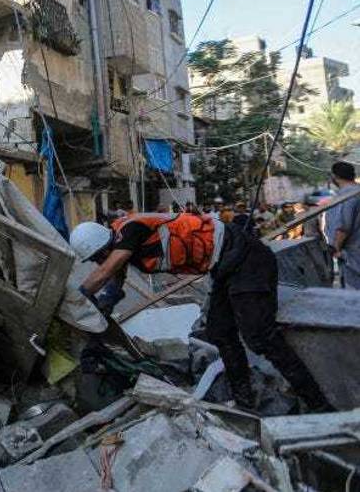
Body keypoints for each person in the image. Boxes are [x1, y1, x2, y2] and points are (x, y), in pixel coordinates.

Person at [71, 211, 329, 412]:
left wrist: (75, 299)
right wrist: (95, 319)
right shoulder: (119, 247)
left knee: (260, 336)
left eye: (96, 258)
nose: (96, 263)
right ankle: (244, 400)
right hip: (225, 267)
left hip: (246, 258)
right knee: (220, 331)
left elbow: (105, 274)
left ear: (104, 248)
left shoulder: (130, 230)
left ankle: (317, 401)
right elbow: (114, 290)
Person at [326, 161, 360, 289]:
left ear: (334, 177)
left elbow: (343, 227)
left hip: (352, 258)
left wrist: (336, 248)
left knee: (353, 299)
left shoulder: (346, 196)